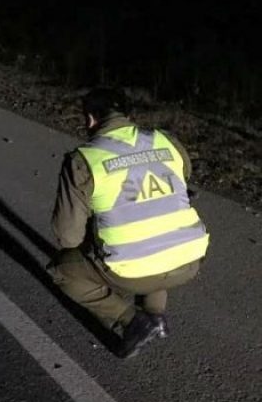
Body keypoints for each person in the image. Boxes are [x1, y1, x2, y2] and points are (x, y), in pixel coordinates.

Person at [48, 88, 209, 358]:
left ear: (89, 119)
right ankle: (156, 315)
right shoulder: (166, 141)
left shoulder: (84, 160)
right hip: (191, 259)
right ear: (128, 114)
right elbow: (184, 174)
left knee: (62, 270)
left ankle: (133, 320)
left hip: (133, 272)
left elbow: (68, 236)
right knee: (155, 230)